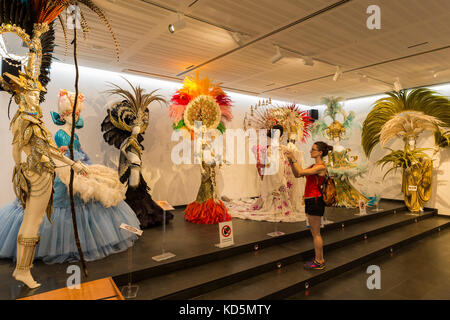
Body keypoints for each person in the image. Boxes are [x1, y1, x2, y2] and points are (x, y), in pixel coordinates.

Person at [286, 141, 333, 270]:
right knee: (314, 232)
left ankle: (319, 261)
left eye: (313, 149)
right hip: (311, 200)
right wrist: (291, 161)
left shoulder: (320, 167)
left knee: (316, 233)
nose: (310, 151)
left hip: (316, 201)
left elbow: (300, 172)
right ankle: (318, 259)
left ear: (320, 152)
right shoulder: (313, 166)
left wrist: (294, 158)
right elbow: (297, 174)